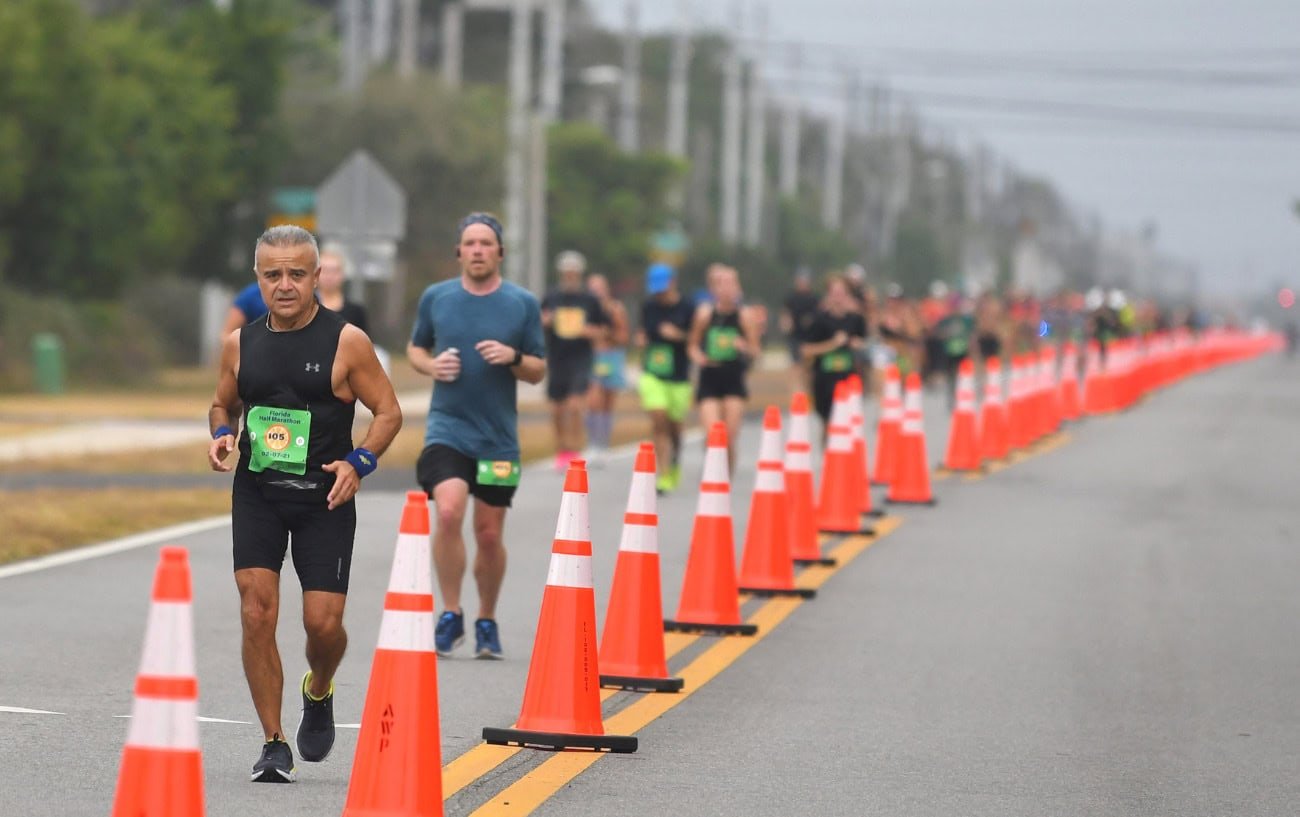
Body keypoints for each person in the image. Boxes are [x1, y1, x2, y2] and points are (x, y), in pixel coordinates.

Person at [207, 225, 403, 784]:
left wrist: (358, 463)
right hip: (259, 493)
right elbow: (222, 406)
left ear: (317, 277)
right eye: (274, 274)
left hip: (324, 497)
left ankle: (319, 689)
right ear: (259, 279)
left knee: (323, 625)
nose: (285, 284)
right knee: (255, 608)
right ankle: (273, 741)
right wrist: (222, 434)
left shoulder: (347, 341)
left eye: (297, 273)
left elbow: (388, 412)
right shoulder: (239, 343)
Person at [406, 212, 546, 661]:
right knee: (448, 512)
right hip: (448, 429)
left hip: (498, 441)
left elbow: (538, 371)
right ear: (460, 252)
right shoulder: (437, 298)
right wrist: (431, 366)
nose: (478, 250)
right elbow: (415, 348)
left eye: (487, 243)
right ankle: (451, 613)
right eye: (470, 243)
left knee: (488, 533)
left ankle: (486, 618)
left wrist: (512, 357)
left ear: (500, 252)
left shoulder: (521, 303)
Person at [688, 263, 761, 471]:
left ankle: (725, 480)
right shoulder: (704, 314)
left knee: (729, 437)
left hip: (733, 379)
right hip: (710, 377)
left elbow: (756, 351)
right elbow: (692, 345)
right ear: (713, 289)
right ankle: (713, 471)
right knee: (713, 435)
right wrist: (699, 357)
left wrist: (743, 346)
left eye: (731, 284)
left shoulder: (745, 316)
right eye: (721, 284)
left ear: (738, 288)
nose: (726, 289)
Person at [540, 251, 607, 471]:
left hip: (581, 358)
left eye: (573, 272)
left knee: (575, 406)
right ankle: (561, 450)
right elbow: (537, 323)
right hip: (557, 357)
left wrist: (591, 331)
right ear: (561, 273)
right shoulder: (551, 297)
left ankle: (575, 449)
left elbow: (604, 329)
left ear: (579, 274)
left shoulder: (589, 300)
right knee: (558, 409)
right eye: (566, 272)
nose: (570, 276)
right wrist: (546, 322)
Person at [636, 263, 694, 494]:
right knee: (658, 418)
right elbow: (643, 331)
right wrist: (640, 340)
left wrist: (678, 335)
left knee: (675, 427)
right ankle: (664, 473)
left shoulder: (688, 308)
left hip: (679, 376)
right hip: (653, 373)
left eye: (662, 288)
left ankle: (676, 459)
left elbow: (696, 338)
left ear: (672, 282)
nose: (659, 293)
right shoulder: (649, 307)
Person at [801, 274, 867, 435]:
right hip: (825, 378)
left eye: (842, 293)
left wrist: (857, 344)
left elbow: (864, 341)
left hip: (848, 377)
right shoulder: (819, 320)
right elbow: (806, 350)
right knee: (829, 424)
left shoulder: (855, 319)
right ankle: (828, 457)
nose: (838, 297)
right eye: (834, 293)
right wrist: (832, 344)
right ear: (828, 295)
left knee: (848, 423)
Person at [585, 272, 629, 465]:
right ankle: (593, 443)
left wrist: (606, 334)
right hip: (592, 357)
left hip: (610, 356)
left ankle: (604, 445)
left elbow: (623, 336)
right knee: (593, 400)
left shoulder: (615, 308)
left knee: (607, 402)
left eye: (599, 288)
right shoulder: (585, 309)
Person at [780, 268, 820, 393]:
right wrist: (786, 324)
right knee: (796, 365)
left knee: (809, 368)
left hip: (811, 337)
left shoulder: (814, 298)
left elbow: (820, 315)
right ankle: (797, 394)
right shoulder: (791, 298)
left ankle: (809, 392)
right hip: (795, 336)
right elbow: (785, 314)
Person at [316, 245, 369, 334]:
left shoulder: (356, 312)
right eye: (324, 270)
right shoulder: (304, 309)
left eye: (334, 271)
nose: (329, 276)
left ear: (342, 274)